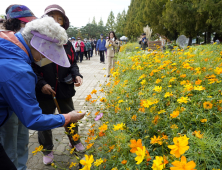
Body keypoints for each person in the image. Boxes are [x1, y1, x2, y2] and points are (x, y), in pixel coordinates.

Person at [0, 11, 85, 170]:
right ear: (39, 44)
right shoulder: (19, 71)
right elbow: (33, 120)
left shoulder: (9, 40)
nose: (46, 59)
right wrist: (67, 117)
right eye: (48, 53)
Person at [32, 4, 85, 165]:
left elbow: (72, 63)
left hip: (64, 89)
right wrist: (41, 83)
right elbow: (31, 67)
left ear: (64, 22)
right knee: (44, 121)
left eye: (59, 18)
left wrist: (76, 74)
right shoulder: (37, 42)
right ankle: (47, 149)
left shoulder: (66, 43)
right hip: (44, 91)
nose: (56, 21)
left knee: (71, 118)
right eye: (52, 17)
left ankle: (74, 141)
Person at [0, 5, 37, 170]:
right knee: (9, 144)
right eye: (26, 24)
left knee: (22, 139)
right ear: (15, 23)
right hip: (6, 104)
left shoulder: (28, 43)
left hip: (22, 100)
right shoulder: (5, 42)